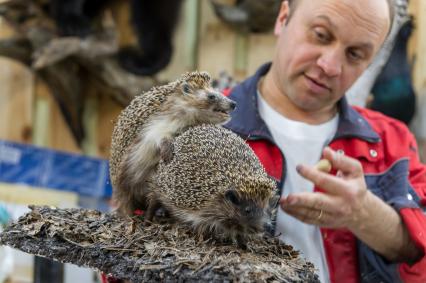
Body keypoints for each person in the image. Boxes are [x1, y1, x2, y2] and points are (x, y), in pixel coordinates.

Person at [223, 0, 426, 282]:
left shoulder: (392, 141)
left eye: (355, 54)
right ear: (283, 18)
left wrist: (364, 214)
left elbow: (420, 251)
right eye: (321, 35)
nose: (330, 66)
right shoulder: (203, 129)